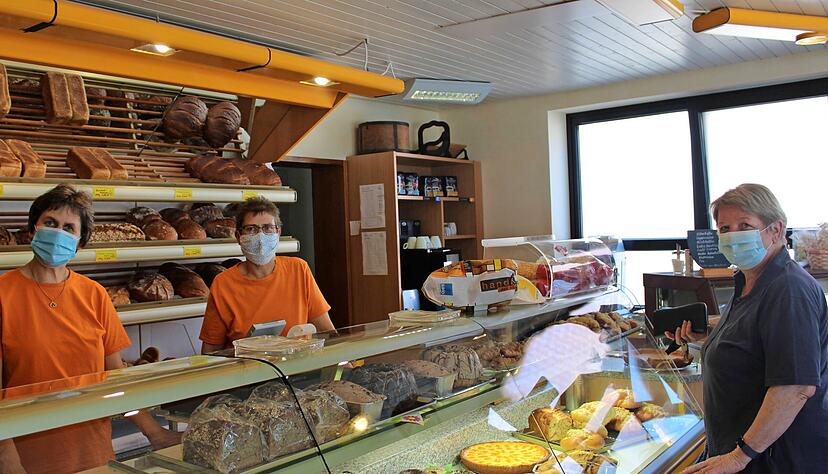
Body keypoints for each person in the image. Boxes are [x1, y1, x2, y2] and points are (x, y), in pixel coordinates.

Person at [0, 185, 179, 474]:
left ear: (79, 243)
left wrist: (153, 432)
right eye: (50, 223)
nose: (58, 233)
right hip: (25, 457)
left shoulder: (93, 295)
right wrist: (7, 458)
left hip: (93, 453)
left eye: (69, 228)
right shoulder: (3, 295)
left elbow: (114, 379)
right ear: (33, 229)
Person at [667, 184, 828, 473]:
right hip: (743, 450)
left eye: (745, 225)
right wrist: (713, 337)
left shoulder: (789, 289)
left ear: (776, 230)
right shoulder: (749, 280)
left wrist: (739, 456)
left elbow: (795, 387)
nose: (732, 235)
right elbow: (756, 340)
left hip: (774, 458)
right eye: (724, 227)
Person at [200, 197, 333, 353]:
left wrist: (345, 367)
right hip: (247, 374)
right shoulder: (224, 283)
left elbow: (327, 332)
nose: (260, 236)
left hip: (297, 370)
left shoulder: (298, 269)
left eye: (268, 228)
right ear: (238, 236)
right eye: (251, 229)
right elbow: (211, 351)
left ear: (278, 232)